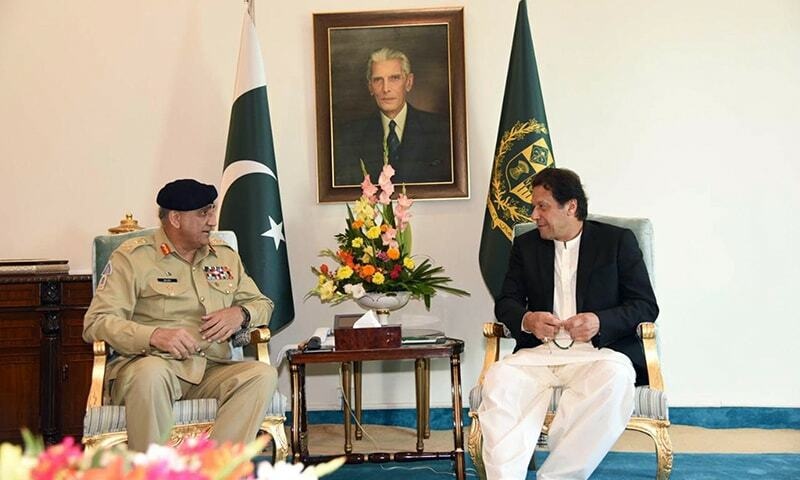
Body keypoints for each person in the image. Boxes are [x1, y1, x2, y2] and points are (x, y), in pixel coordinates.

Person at [478, 168, 659, 479]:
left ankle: (558, 477)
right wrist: (528, 319)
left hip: (596, 353)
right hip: (538, 354)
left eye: (542, 206)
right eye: (533, 207)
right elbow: (505, 302)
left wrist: (599, 321)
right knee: (499, 381)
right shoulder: (526, 246)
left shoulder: (616, 242)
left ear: (571, 206)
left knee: (617, 379)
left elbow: (645, 306)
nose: (534, 215)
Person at [83, 178, 277, 452]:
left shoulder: (223, 256)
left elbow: (263, 303)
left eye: (212, 211)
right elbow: (97, 323)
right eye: (203, 213)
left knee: (261, 374)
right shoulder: (133, 258)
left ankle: (215, 469)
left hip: (210, 368)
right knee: (151, 374)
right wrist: (154, 336)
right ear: (175, 218)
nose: (212, 220)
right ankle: (157, 472)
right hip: (150, 365)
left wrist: (241, 314)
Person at [333, 47, 452, 186]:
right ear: (370, 87)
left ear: (409, 82)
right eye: (378, 80)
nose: (385, 89)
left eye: (394, 78)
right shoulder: (350, 136)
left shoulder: (440, 129)